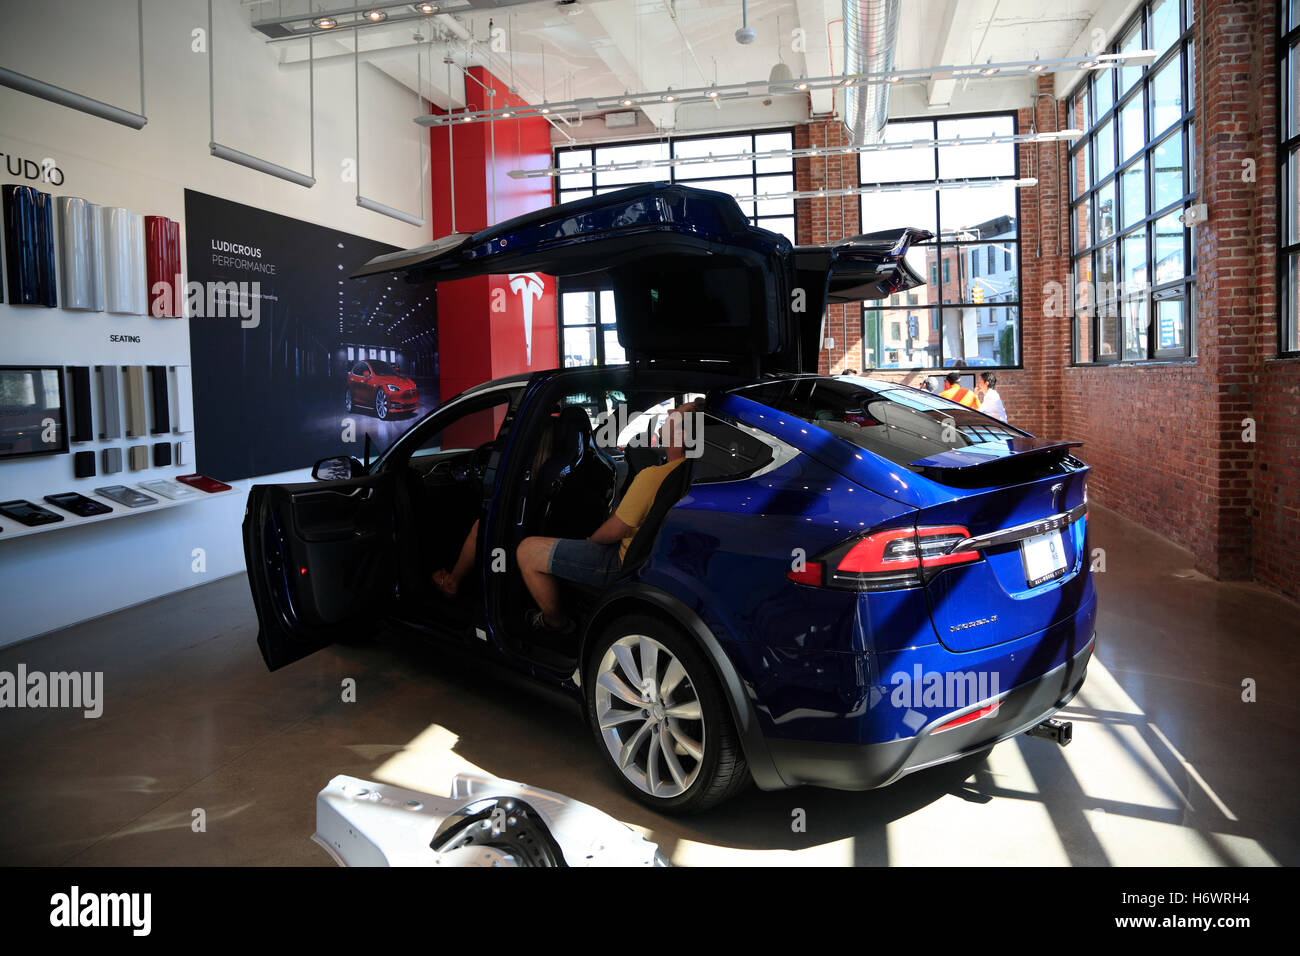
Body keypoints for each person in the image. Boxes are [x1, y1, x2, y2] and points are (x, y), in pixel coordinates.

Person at [515, 402, 696, 634]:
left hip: (621, 561)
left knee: (527, 551)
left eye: (676, 414)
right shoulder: (688, 471)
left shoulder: (653, 477)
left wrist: (591, 541)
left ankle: (557, 623)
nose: (669, 413)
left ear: (682, 433)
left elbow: (614, 531)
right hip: (651, 558)